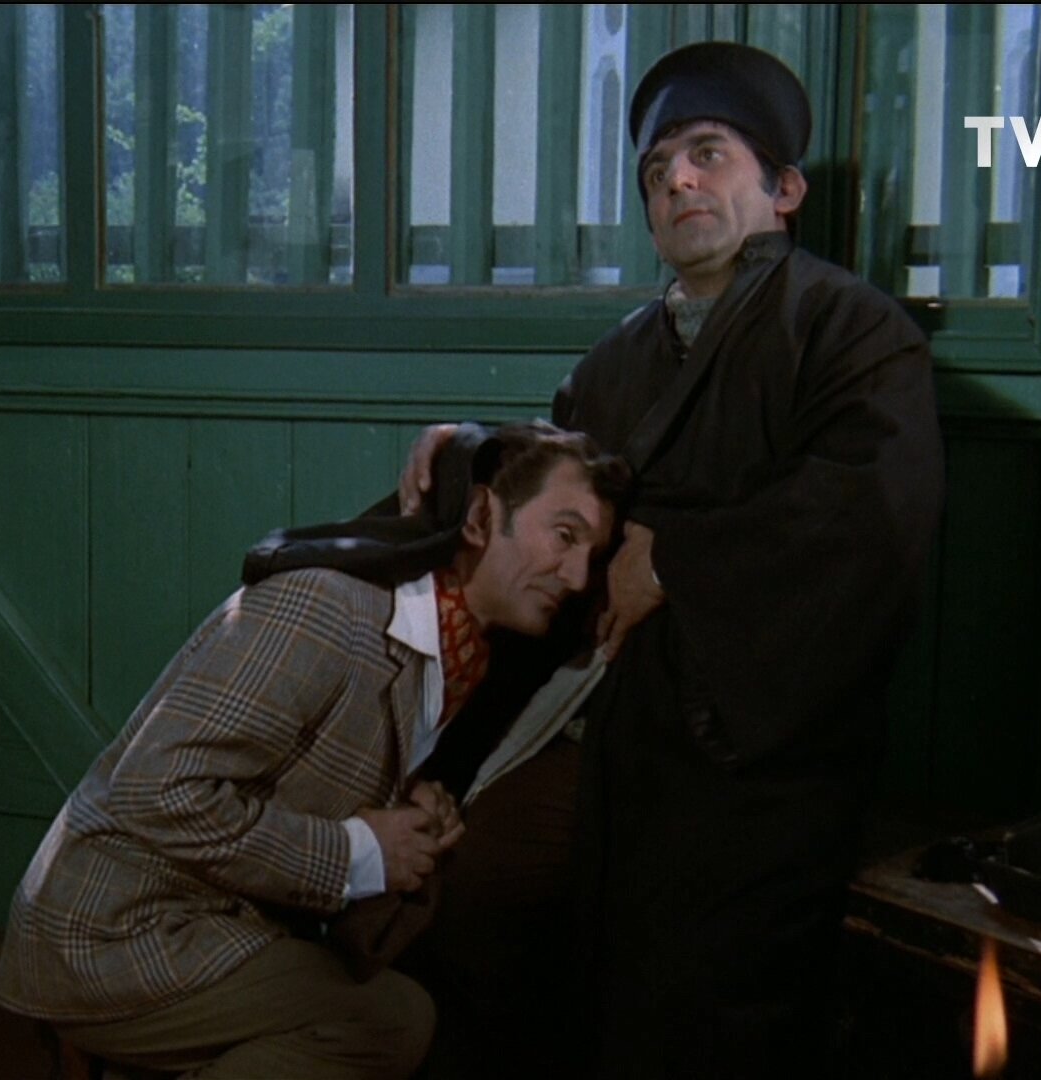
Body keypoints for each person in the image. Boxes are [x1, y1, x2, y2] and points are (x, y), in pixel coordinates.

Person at [398, 42, 945, 1077]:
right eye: (657, 171)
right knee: (460, 897)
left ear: (784, 189)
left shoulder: (853, 333)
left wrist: (677, 559)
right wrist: (468, 451)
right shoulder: (614, 363)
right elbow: (562, 489)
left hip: (748, 752)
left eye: (708, 155)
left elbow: (866, 521)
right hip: (604, 726)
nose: (679, 181)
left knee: (690, 990)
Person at [0, 422, 628, 1080]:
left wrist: (409, 816)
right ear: (478, 516)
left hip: (217, 923)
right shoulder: (328, 608)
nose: (579, 576)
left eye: (593, 554)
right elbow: (155, 790)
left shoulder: (459, 651)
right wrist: (360, 851)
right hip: (111, 932)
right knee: (387, 1023)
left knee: (411, 1009)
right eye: (565, 535)